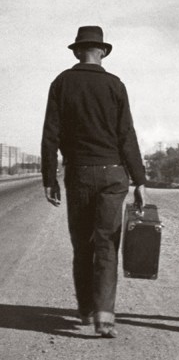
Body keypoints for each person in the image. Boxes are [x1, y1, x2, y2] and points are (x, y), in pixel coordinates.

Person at [41, 25, 147, 338]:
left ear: (76, 52)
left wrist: (50, 178)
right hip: (114, 173)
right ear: (102, 52)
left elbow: (51, 134)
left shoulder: (62, 82)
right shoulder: (116, 85)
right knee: (106, 244)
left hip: (79, 173)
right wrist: (139, 179)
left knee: (81, 244)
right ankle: (104, 316)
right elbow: (126, 134)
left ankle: (86, 308)